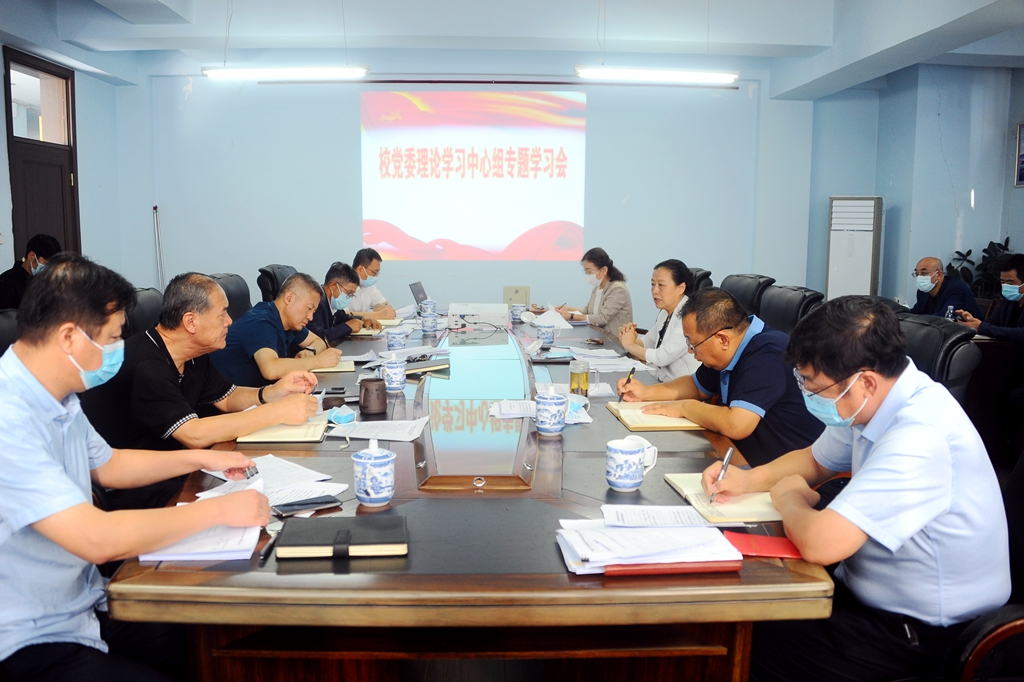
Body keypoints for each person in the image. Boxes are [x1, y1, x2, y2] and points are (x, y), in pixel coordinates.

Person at [704, 296, 1010, 681]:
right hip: (869, 598)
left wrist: (790, 497)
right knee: (750, 612)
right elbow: (815, 460)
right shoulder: (875, 399)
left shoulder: (920, 436)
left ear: (864, 381)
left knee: (743, 639)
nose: (807, 394)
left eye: (813, 386)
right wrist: (747, 479)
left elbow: (821, 544)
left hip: (925, 637)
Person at [0, 253, 270, 682]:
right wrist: (219, 510)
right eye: (111, 339)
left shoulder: (59, 396)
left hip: (87, 604)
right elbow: (96, 539)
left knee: (222, 639)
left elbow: (110, 464)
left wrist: (201, 457)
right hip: (30, 640)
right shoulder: (9, 418)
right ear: (69, 337)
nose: (118, 351)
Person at [80, 273, 319, 509]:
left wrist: (271, 393)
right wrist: (276, 413)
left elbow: (228, 397)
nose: (230, 321)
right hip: (134, 487)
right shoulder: (147, 365)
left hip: (176, 466)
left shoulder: (194, 354)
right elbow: (194, 434)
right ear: (191, 322)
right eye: (222, 314)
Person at [617, 287, 823, 466]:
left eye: (692, 343)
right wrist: (646, 392)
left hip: (787, 472)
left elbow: (737, 424)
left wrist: (684, 407)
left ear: (722, 340)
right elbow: (696, 386)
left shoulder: (767, 354)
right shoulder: (730, 348)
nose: (690, 350)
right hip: (738, 455)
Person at [211, 272, 343, 387]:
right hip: (229, 402)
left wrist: (310, 350)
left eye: (313, 311)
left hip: (261, 394)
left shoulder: (289, 322)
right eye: (308, 308)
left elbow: (318, 341)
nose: (310, 317)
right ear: (289, 298)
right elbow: (271, 369)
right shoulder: (261, 322)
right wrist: (318, 361)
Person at [618, 259, 701, 382]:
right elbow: (647, 343)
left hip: (683, 386)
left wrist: (629, 345)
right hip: (660, 380)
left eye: (661, 285)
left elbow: (661, 357)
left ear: (681, 288)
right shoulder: (665, 312)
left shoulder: (689, 316)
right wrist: (629, 337)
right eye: (653, 284)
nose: (655, 290)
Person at [555, 247, 633, 332]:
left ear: (604, 270)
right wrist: (567, 309)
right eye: (585, 271)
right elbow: (587, 310)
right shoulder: (597, 288)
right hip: (597, 336)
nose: (587, 275)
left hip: (613, 338)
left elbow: (602, 318)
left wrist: (571, 316)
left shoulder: (617, 289)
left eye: (589, 271)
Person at [309, 261, 382, 344]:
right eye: (349, 293)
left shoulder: (332, 304)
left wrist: (362, 319)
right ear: (333, 286)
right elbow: (318, 337)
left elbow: (344, 318)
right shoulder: (316, 304)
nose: (349, 297)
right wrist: (347, 327)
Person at [957, 252, 1024, 341]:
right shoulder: (1008, 302)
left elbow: (1021, 333)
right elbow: (990, 324)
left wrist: (982, 327)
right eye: (1002, 282)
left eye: (1010, 282)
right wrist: (971, 322)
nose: (1006, 286)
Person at [0, 233, 62, 309]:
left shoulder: (48, 282)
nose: (49, 269)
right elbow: (5, 315)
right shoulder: (6, 282)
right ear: (31, 256)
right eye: (46, 263)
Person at [910, 256, 980, 318]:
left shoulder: (956, 289)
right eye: (917, 274)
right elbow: (916, 312)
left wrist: (918, 318)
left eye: (924, 273)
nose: (919, 277)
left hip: (966, 328)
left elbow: (945, 317)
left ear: (939, 274)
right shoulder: (923, 291)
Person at [347, 248, 396, 321]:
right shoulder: (344, 286)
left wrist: (380, 307)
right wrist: (377, 315)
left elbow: (386, 306)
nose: (375, 276)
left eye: (377, 273)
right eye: (374, 272)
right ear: (360, 269)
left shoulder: (369, 286)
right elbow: (343, 314)